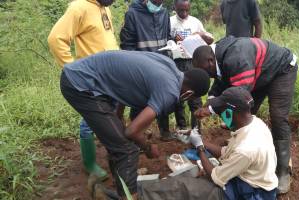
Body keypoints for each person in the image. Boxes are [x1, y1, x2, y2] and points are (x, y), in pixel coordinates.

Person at [60, 50, 210, 198]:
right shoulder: (170, 91)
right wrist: (148, 147)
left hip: (88, 74)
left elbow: (126, 81)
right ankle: (128, 195)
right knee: (127, 150)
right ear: (188, 94)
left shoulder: (169, 65)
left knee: (118, 141)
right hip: (81, 85)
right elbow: (131, 132)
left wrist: (118, 117)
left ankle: (115, 191)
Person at [192, 36, 298, 194]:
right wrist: (210, 101)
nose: (207, 76)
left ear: (209, 61)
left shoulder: (236, 58)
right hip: (260, 71)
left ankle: (282, 171)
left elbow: (239, 95)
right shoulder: (218, 56)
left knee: (277, 117)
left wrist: (212, 110)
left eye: (205, 72)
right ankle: (239, 152)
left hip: (281, 70)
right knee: (245, 116)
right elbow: (221, 80)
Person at [47, 0, 119, 182]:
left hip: (110, 76)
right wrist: (72, 69)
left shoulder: (105, 8)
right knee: (90, 120)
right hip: (92, 77)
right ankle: (90, 164)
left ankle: (115, 153)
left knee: (109, 113)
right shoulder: (79, 7)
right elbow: (56, 39)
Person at [190, 87, 278, 200]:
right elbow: (227, 152)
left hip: (256, 192)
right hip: (253, 178)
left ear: (229, 113)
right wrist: (202, 141)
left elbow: (215, 176)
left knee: (208, 191)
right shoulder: (255, 123)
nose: (221, 116)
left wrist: (199, 148)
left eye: (221, 112)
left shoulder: (246, 149)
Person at [120, 0, 174, 141]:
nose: (159, 4)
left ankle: (165, 131)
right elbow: (127, 46)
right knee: (140, 102)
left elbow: (167, 37)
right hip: (142, 69)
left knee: (163, 99)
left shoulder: (164, 13)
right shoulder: (133, 14)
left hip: (162, 65)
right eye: (156, 1)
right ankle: (138, 135)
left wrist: (171, 44)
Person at [170, 0, 214, 132]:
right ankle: (182, 127)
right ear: (175, 7)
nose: (184, 13)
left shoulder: (195, 22)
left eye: (186, 10)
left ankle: (196, 129)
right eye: (180, 10)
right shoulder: (169, 22)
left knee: (195, 99)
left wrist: (201, 35)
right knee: (178, 98)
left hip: (193, 63)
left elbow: (210, 39)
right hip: (176, 63)